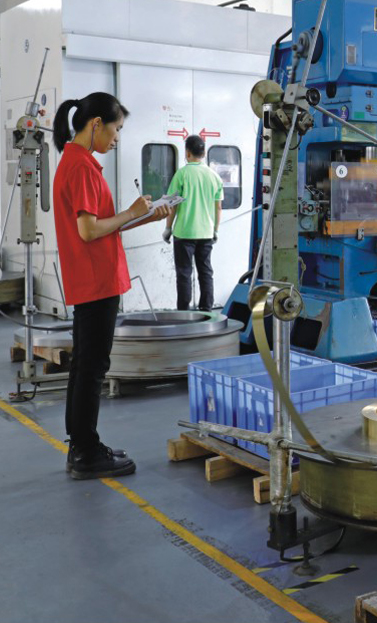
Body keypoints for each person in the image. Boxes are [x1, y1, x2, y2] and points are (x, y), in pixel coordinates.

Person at [52, 93, 170, 479]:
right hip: (96, 280)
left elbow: (102, 226)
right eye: (116, 129)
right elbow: (88, 231)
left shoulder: (76, 161)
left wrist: (145, 217)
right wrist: (131, 211)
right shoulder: (82, 167)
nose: (117, 137)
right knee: (92, 367)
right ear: (97, 124)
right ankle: (86, 453)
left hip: (91, 278)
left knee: (84, 365)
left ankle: (81, 444)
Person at [162, 135, 223, 310]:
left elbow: (172, 205)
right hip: (206, 233)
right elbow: (218, 207)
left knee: (184, 274)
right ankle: (207, 309)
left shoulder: (181, 174)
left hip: (184, 233)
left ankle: (183, 311)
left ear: (187, 153)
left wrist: (168, 228)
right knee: (206, 272)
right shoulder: (214, 176)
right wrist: (215, 230)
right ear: (203, 153)